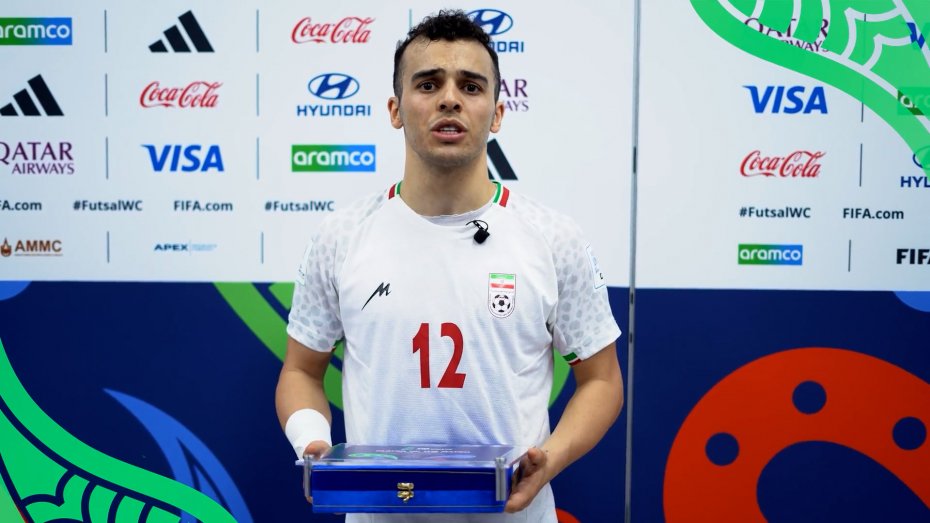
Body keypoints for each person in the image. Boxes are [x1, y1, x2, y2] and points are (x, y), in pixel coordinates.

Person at [275, 9, 624, 522]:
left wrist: (549, 460)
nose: (449, 99)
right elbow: (301, 370)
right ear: (395, 109)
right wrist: (312, 441)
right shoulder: (341, 236)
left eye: (471, 86)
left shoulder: (553, 238)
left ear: (497, 114)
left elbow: (602, 380)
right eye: (428, 84)